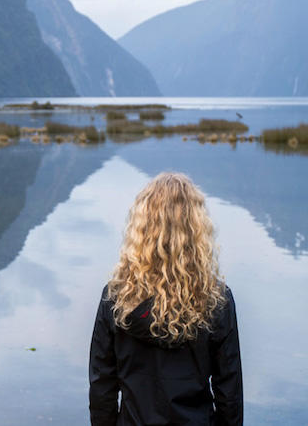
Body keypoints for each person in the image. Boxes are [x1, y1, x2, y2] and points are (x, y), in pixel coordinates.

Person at [89, 172, 243, 425]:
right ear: (197, 229)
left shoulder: (116, 297)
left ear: (141, 228)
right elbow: (229, 393)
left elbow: (102, 388)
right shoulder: (217, 299)